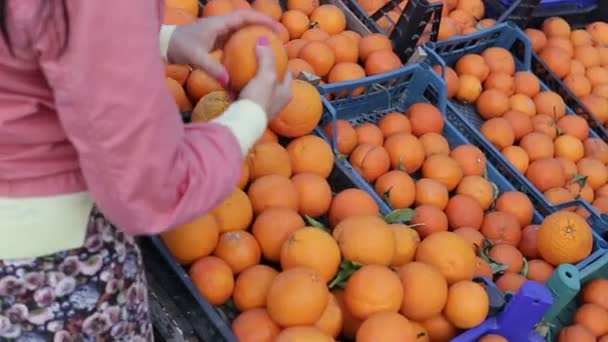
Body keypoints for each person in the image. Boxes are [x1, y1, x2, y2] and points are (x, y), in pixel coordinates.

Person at [0, 0, 291, 340]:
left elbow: (44, 29)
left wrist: (159, 39)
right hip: (45, 271)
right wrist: (250, 116)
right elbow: (150, 189)